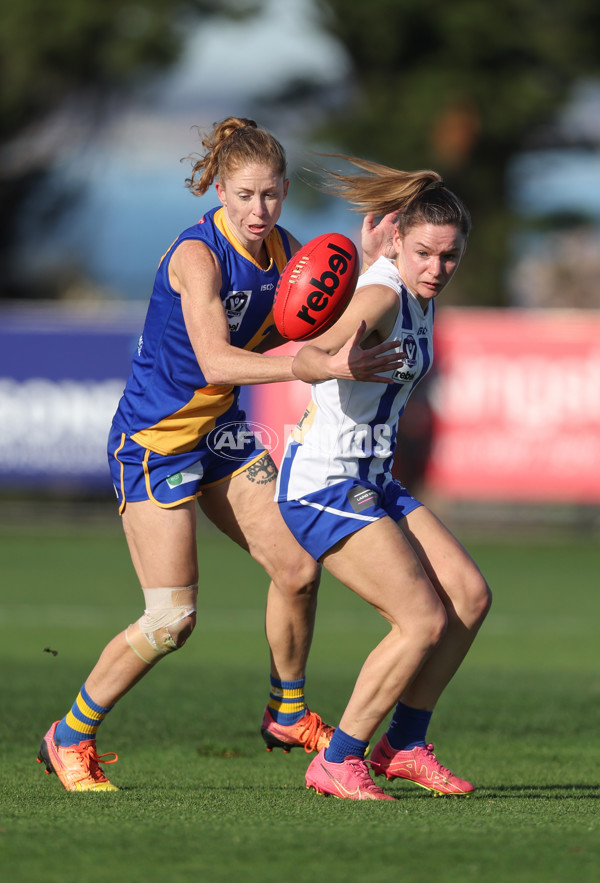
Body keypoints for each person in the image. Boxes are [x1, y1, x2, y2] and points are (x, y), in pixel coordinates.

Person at [36, 119, 404, 792]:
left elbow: (338, 326)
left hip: (221, 435)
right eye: (244, 195)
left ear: (286, 191)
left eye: (270, 195)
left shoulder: (289, 252)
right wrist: (306, 368)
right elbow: (215, 359)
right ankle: (69, 734)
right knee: (171, 620)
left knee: (296, 566)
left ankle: (287, 713)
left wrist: (374, 259)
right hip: (156, 443)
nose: (258, 210)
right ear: (218, 189)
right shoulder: (197, 256)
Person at [276, 156, 492, 801]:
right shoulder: (383, 293)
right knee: (421, 619)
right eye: (424, 253)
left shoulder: (415, 291)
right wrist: (339, 360)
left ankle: (405, 744)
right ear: (399, 241)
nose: (436, 268)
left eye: (449, 257)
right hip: (324, 481)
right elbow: (312, 353)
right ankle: (339, 759)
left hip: (371, 476)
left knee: (469, 597)